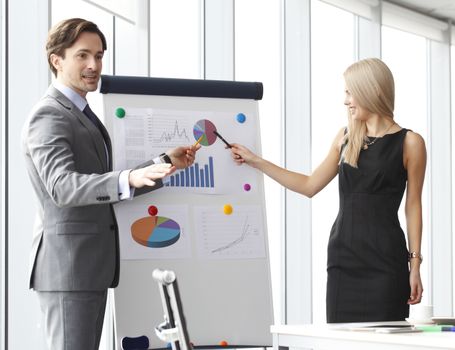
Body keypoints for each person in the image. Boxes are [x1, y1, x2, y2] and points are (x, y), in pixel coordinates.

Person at [21, 18, 200, 350]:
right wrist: (128, 177)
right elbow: (62, 186)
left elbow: (101, 181)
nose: (94, 65)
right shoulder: (49, 115)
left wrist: (163, 163)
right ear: (56, 60)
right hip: (68, 268)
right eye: (83, 55)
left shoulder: (80, 112)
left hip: (87, 268)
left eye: (100, 56)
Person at [230, 58, 426, 323]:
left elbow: (413, 205)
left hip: (386, 263)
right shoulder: (346, 138)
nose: (346, 101)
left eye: (350, 91)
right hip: (343, 258)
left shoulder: (410, 143)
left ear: (373, 90)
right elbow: (310, 185)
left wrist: (414, 265)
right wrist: (257, 162)